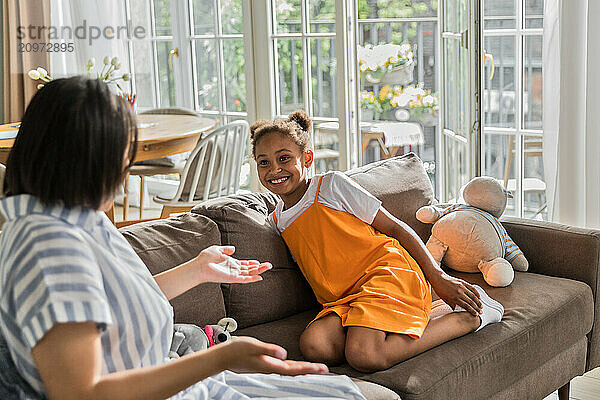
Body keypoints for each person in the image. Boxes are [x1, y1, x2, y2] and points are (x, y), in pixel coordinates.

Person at [0, 77, 367, 400]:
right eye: (123, 156)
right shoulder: (48, 246)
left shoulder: (74, 218)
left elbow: (115, 302)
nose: (124, 172)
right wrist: (217, 358)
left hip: (178, 385)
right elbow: (82, 394)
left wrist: (197, 269)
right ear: (89, 158)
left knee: (341, 392)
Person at [250, 110, 505, 373]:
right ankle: (423, 314)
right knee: (316, 346)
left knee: (365, 356)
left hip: (387, 274)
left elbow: (395, 227)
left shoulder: (330, 186)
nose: (275, 169)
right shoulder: (278, 220)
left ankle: (472, 317)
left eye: (284, 158)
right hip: (345, 298)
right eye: (264, 162)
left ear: (307, 158)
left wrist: (438, 278)